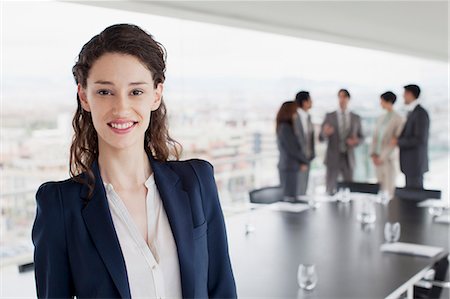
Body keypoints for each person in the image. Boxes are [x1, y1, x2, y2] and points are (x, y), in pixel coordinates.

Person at [31, 24, 237, 299]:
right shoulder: (59, 205)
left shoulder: (197, 181)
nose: (121, 108)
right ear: (84, 96)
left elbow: (221, 289)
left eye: (136, 92)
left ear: (156, 94)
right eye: (105, 92)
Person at [319, 89, 364, 195]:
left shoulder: (356, 117)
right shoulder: (329, 116)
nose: (341, 100)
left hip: (348, 159)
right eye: (340, 97)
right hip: (333, 158)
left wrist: (355, 141)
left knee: (349, 189)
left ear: (348, 99)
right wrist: (325, 133)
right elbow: (320, 138)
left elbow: (361, 137)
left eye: (344, 97)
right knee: (330, 189)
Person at [391, 84, 429, 189]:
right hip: (411, 163)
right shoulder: (413, 112)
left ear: (409, 94)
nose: (403, 97)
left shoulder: (420, 113)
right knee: (410, 194)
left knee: (414, 196)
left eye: (404, 94)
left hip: (415, 164)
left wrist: (398, 142)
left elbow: (419, 139)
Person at [370, 91, 405, 196]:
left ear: (388, 101)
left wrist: (382, 157)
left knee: (390, 190)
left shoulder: (399, 119)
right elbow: (375, 138)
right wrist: (373, 155)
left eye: (381, 101)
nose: (380, 103)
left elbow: (394, 142)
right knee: (379, 189)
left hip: (389, 159)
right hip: (377, 159)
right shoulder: (380, 118)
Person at [276, 101, 310, 201]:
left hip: (290, 167)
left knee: (294, 197)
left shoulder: (286, 127)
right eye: (294, 112)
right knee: (290, 199)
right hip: (289, 168)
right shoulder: (285, 128)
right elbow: (293, 149)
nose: (296, 114)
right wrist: (305, 161)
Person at [293, 91, 315, 195]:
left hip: (307, 159)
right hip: (298, 161)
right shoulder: (294, 117)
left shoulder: (309, 117)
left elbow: (310, 139)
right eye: (310, 100)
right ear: (304, 102)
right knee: (297, 189)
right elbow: (295, 142)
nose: (312, 102)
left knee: (304, 189)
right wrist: (300, 160)